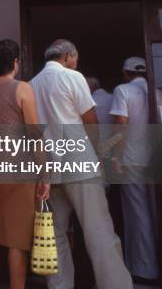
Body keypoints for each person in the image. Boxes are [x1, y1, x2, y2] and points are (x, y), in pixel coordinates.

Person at [29, 39, 133, 289]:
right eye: (75, 58)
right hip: (79, 162)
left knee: (56, 236)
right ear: (67, 55)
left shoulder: (31, 85)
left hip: (50, 168)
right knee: (99, 232)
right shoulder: (73, 77)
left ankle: (59, 286)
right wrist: (97, 153)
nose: (76, 63)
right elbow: (90, 120)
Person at [0, 39, 50, 289]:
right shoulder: (22, 89)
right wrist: (45, 172)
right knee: (17, 239)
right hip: (19, 170)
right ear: (15, 63)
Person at [109, 57, 159, 283]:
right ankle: (161, 263)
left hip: (131, 159)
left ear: (125, 72)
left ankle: (144, 268)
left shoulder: (123, 90)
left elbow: (121, 125)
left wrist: (115, 158)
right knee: (156, 212)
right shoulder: (157, 91)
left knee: (137, 214)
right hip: (156, 160)